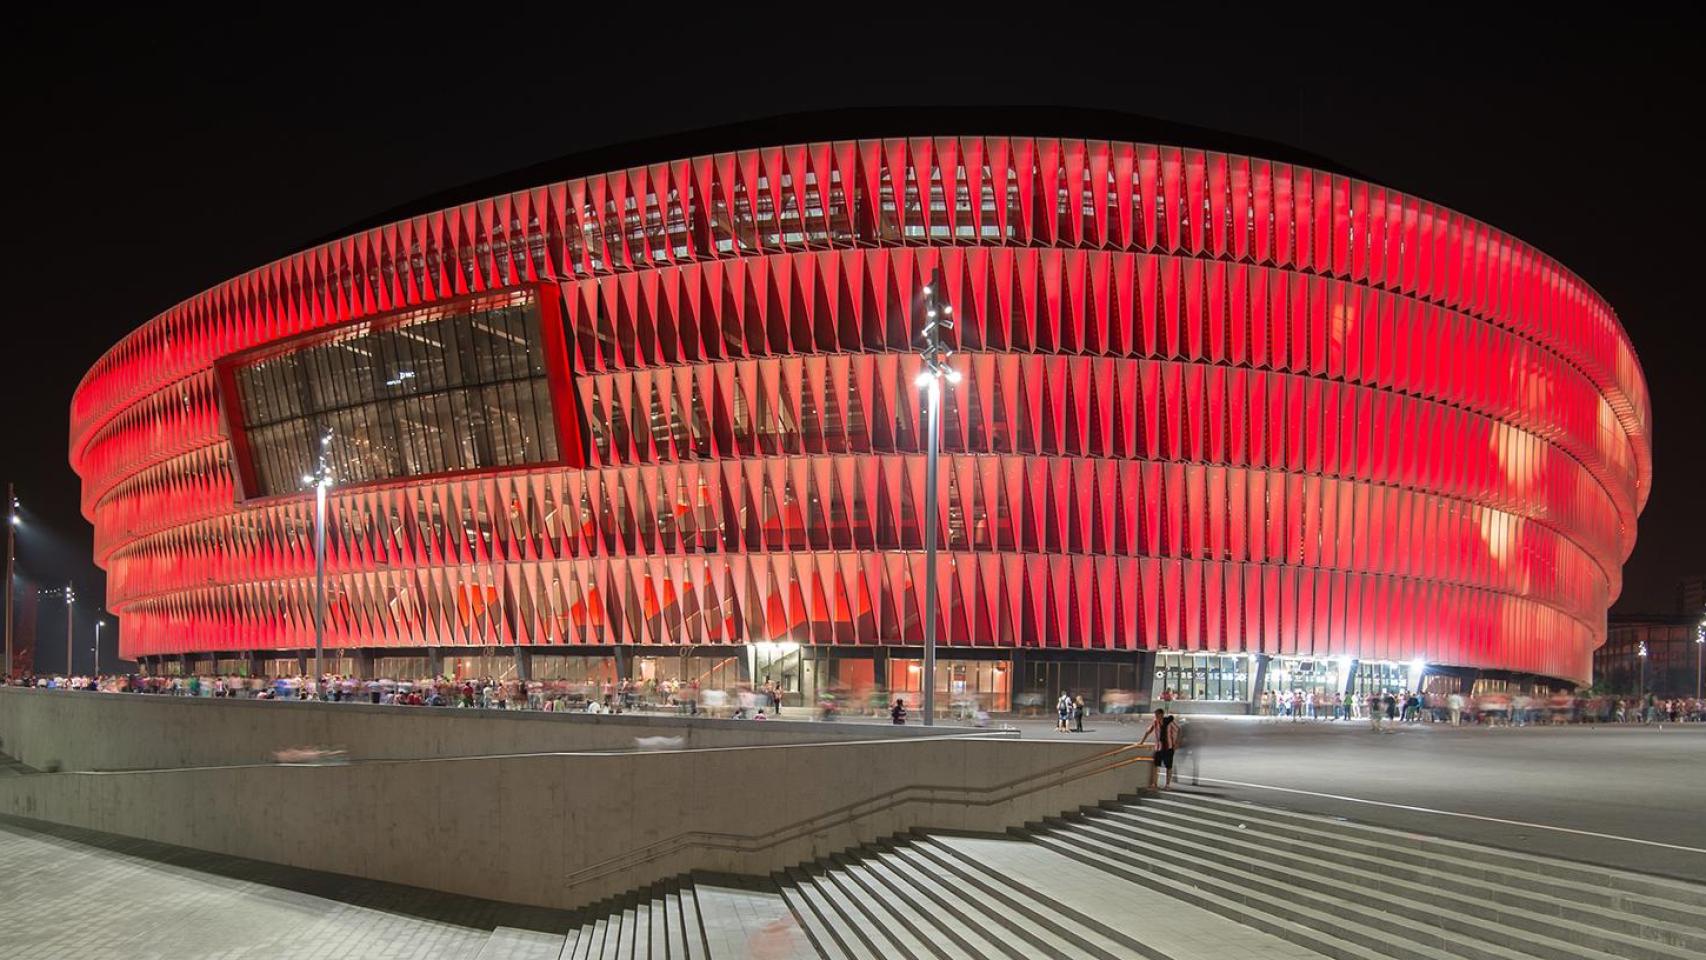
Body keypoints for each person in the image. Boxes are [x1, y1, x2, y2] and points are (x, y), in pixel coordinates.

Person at [1139, 708, 1178, 790]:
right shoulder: (1155, 722)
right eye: (1155, 715)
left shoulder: (1169, 722)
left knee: (1168, 766)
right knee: (1156, 765)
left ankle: (1167, 784)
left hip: (1169, 747)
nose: (1156, 716)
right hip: (1159, 747)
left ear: (1162, 714)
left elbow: (1178, 730)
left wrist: (1176, 743)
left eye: (1157, 715)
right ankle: (1154, 783)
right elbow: (1148, 731)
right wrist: (1141, 741)